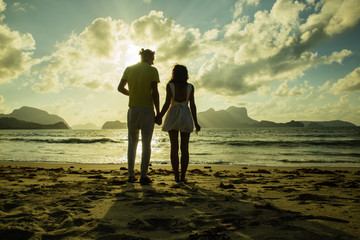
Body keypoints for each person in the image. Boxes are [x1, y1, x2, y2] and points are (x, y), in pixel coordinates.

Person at [118, 48, 160, 185]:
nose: (153, 61)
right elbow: (155, 92)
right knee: (146, 143)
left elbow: (120, 88)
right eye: (152, 58)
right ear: (148, 56)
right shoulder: (152, 71)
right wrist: (158, 112)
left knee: (132, 142)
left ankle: (131, 175)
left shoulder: (129, 69)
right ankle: (143, 175)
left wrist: (132, 93)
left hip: (133, 109)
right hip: (147, 110)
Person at [156, 65, 201, 182]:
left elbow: (167, 104)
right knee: (185, 148)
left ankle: (176, 176)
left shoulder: (170, 86)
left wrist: (159, 116)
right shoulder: (190, 87)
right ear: (185, 75)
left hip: (173, 115)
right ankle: (183, 176)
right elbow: (192, 105)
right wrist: (196, 122)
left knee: (174, 148)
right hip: (185, 115)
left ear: (174, 74)